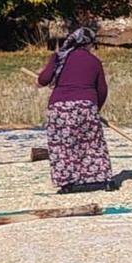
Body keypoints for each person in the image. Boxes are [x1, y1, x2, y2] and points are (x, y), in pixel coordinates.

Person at [36, 26, 114, 194]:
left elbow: (43, 80)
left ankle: (67, 183)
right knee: (93, 143)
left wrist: (44, 78)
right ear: (88, 44)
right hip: (86, 106)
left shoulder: (58, 57)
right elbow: (102, 90)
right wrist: (95, 109)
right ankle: (104, 179)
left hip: (60, 108)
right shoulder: (94, 61)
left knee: (63, 145)